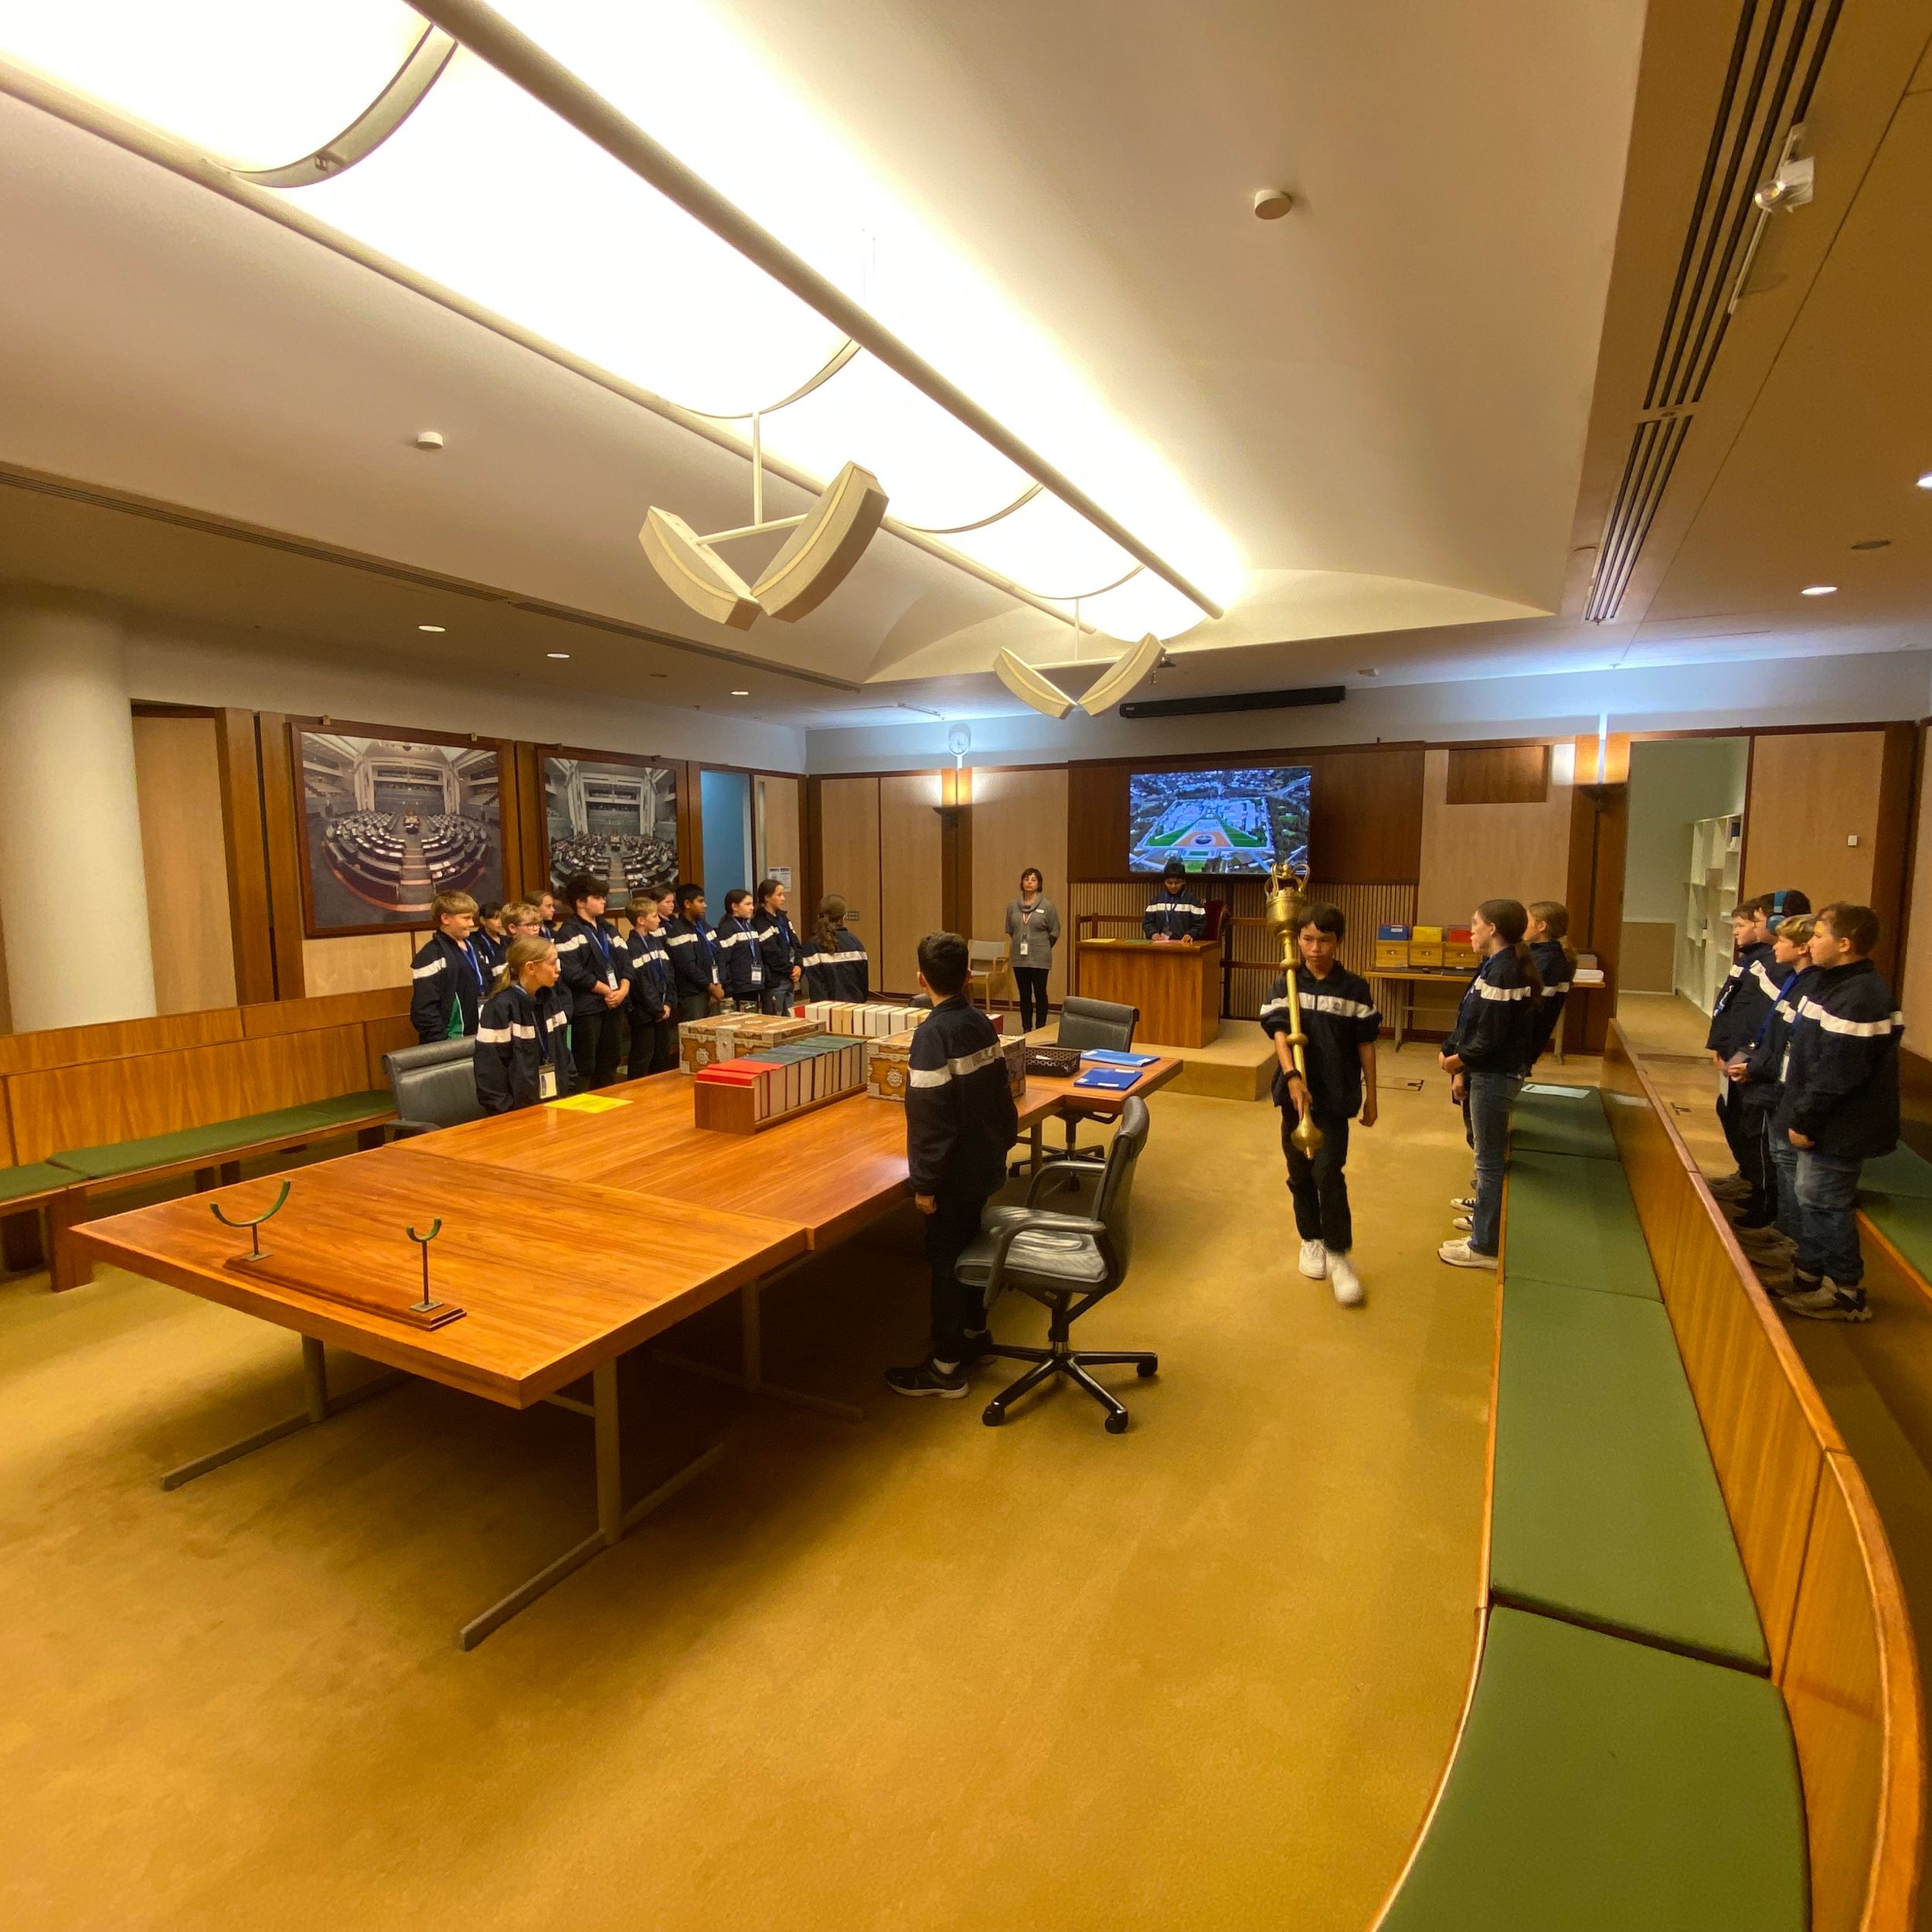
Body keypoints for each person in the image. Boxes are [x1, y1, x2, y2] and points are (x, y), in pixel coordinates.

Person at [885, 930, 1020, 1399]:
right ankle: (974, 1335)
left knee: (946, 1263)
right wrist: (1003, 1143)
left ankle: (945, 1367)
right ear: (967, 976)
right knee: (971, 1249)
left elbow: (931, 1119)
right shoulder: (981, 1021)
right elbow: (1002, 1091)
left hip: (952, 1174)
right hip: (983, 1161)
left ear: (921, 980)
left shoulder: (931, 1034)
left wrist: (924, 1184)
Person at [1771, 903, 1904, 1321]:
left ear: (1844, 944)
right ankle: (1809, 1274)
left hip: (1840, 1125)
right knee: (1811, 1199)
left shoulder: (1860, 996)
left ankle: (1845, 1292)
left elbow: (1837, 1074)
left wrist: (1805, 1120)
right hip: (1818, 1116)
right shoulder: (1830, 983)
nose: (1810, 943)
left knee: (1825, 1203)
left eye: (1818, 935)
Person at [1261, 903, 1381, 1306]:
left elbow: (1366, 1045)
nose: (1315, 949)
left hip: (1335, 1093)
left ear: (1338, 942)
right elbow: (1280, 1033)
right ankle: (1310, 1239)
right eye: (1308, 939)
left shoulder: (1354, 988)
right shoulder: (1286, 982)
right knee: (1299, 1173)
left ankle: (1338, 1254)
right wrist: (1293, 1077)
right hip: (1294, 1098)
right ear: (1297, 939)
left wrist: (1372, 1096)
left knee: (1328, 1173)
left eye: (1324, 941)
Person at [1438, 898, 1540, 1270]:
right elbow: (1470, 1019)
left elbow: (1491, 1036)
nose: (1471, 931)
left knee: (1490, 1161)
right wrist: (1455, 1056)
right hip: (1484, 1071)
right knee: (1485, 1156)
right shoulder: (1494, 965)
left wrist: (1458, 1061)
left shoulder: (1505, 971)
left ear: (1493, 929)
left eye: (1475, 923)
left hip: (1495, 1075)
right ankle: (1483, 1225)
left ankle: (1484, 1246)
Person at [1726, 913, 1818, 1286]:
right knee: (1782, 1160)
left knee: (1801, 1180)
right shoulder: (1795, 981)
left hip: (1786, 1091)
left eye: (1782, 940)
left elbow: (1799, 1051)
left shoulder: (1813, 987)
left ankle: (1797, 1249)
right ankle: (1784, 1232)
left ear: (1802, 948)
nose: (1774, 945)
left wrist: (1759, 1068)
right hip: (1772, 1078)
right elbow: (1775, 1035)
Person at [1706, 896, 1784, 1205]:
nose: (1735, 931)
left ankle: (1761, 1193)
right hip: (1733, 1053)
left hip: (1752, 1061)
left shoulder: (1773, 965)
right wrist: (1720, 1046)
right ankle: (1748, 1175)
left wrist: (1744, 1055)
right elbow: (1733, 1007)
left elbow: (1760, 1020)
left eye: (1743, 925)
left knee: (1753, 1128)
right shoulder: (1749, 959)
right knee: (1730, 1113)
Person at [473, 936, 577, 1114]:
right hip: (517, 1114)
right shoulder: (500, 1007)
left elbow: (563, 1052)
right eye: (553, 963)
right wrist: (508, 1113)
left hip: (557, 1103)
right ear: (531, 968)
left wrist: (568, 1089)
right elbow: (490, 1073)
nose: (559, 969)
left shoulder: (551, 999)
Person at [554, 871, 629, 1090]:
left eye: (603, 897)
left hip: (615, 1004)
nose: (603, 901)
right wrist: (606, 990)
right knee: (586, 1065)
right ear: (580, 902)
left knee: (611, 1060)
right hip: (588, 1008)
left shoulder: (608, 928)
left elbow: (626, 961)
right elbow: (573, 972)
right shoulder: (568, 932)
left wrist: (623, 989)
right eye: (597, 897)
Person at [408, 889, 489, 1043]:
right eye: (466, 918)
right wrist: (443, 1043)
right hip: (451, 1041)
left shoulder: (475, 947)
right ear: (445, 918)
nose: (472, 924)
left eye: (472, 918)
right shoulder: (430, 955)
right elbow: (424, 1010)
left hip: (481, 1035)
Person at [624, 895, 679, 1077]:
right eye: (654, 916)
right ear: (641, 920)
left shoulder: (656, 942)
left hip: (663, 1010)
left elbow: (668, 973)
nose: (658, 920)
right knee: (642, 1057)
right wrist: (657, 1008)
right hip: (645, 1014)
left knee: (662, 1056)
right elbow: (641, 984)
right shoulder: (632, 947)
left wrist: (668, 1003)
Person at [1005, 867, 1061, 1032]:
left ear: (1039, 884)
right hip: (1019, 957)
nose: (1029, 882)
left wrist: (1042, 947)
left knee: (1040, 993)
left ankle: (1040, 1028)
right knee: (1024, 994)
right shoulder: (1013, 906)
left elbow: (1054, 932)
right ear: (1022, 882)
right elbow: (1011, 931)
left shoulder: (1047, 906)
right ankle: (1027, 1028)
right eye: (1026, 879)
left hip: (1040, 957)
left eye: (1033, 879)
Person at [664, 881, 724, 1022]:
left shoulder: (704, 925)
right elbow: (687, 967)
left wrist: (719, 983)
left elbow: (719, 953)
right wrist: (710, 987)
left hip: (714, 989)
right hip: (693, 994)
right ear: (687, 904)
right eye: (700, 901)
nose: (705, 905)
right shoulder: (677, 930)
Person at [1525, 900, 1575, 1062]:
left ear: (1541, 926)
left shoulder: (1547, 960)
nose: (1523, 926)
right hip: (1533, 1036)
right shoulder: (1551, 954)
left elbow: (1530, 1004)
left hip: (1527, 1036)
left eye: (1527, 921)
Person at [751, 876, 803, 1015]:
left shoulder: (783, 918)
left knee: (790, 1017)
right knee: (776, 1017)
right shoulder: (760, 922)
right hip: (775, 980)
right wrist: (790, 969)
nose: (783, 898)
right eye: (779, 895)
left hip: (790, 977)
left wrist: (799, 966)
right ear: (767, 898)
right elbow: (771, 953)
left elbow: (796, 943)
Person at [802, 895, 869, 1001]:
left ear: (819, 917)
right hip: (855, 1006)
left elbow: (817, 988)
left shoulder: (812, 946)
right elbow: (863, 985)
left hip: (826, 1008)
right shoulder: (856, 943)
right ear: (844, 918)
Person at [714, 889, 767, 1011]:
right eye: (747, 904)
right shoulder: (727, 929)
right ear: (734, 907)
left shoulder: (748, 926)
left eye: (752, 904)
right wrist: (727, 987)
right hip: (738, 987)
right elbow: (724, 960)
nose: (752, 908)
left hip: (754, 983)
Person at [1143, 860, 1206, 942]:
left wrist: (1191, 934)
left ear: (1183, 881)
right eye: (1169, 883)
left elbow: (1200, 924)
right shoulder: (1157, 900)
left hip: (1185, 945)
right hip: (1160, 944)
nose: (1173, 886)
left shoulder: (1192, 900)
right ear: (1165, 882)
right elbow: (1147, 922)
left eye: (1177, 883)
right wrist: (1153, 933)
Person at [472, 902, 508, 979]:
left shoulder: (507, 940)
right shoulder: (474, 940)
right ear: (483, 920)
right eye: (495, 918)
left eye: (502, 918)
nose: (500, 922)